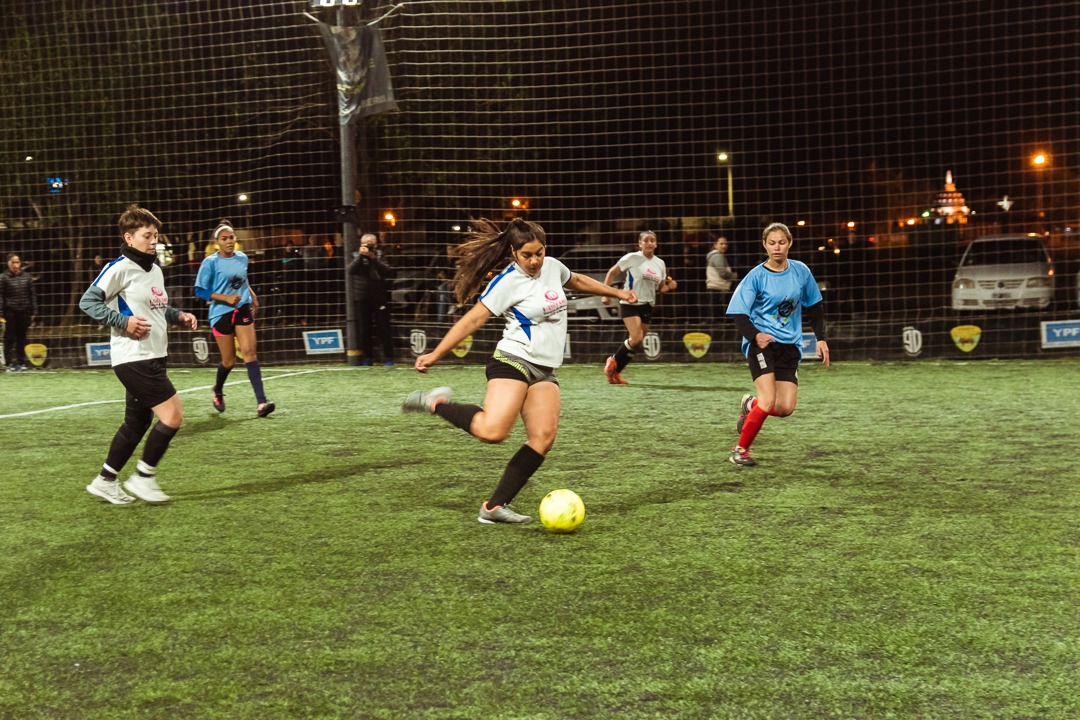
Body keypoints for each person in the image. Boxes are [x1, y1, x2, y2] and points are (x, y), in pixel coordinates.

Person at [402, 217, 636, 525]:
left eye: (539, 252)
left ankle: (494, 506)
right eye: (527, 254)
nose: (535, 260)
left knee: (543, 437)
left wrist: (618, 293)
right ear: (513, 252)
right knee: (493, 432)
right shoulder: (507, 281)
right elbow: (473, 320)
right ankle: (437, 404)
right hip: (513, 360)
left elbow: (575, 279)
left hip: (545, 369)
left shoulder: (552, 266)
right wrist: (436, 353)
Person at [79, 205, 199, 504]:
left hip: (153, 355)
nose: (154, 241)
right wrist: (123, 322)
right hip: (134, 357)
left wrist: (178, 314)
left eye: (156, 235)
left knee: (136, 424)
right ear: (129, 238)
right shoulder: (119, 267)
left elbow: (154, 308)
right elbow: (88, 302)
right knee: (173, 416)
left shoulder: (155, 269)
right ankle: (143, 477)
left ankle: (105, 480)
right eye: (147, 235)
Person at [726, 222, 830, 467]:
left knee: (784, 408)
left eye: (781, 242)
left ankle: (750, 405)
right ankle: (740, 450)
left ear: (790, 243)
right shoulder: (756, 276)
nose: (777, 247)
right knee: (768, 400)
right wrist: (755, 335)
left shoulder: (800, 271)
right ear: (764, 245)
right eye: (771, 243)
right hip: (762, 344)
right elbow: (739, 313)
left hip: (789, 346)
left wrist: (821, 338)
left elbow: (815, 307)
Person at [194, 220, 276, 417]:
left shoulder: (242, 258)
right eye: (224, 238)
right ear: (217, 242)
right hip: (220, 313)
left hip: (242, 309)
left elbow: (242, 280)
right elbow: (200, 291)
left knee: (249, 353)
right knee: (229, 361)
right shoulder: (210, 263)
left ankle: (261, 403)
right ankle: (218, 390)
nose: (229, 241)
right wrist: (225, 298)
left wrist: (252, 295)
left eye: (231, 237)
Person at [601, 230, 677, 384]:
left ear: (656, 244)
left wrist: (670, 286)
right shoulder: (632, 258)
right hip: (630, 302)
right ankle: (612, 361)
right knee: (636, 338)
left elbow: (660, 288)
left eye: (652, 240)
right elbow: (612, 272)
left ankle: (615, 374)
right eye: (646, 240)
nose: (649, 243)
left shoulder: (660, 263)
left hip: (648, 305)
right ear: (640, 243)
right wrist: (606, 294)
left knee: (636, 342)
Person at [347, 232, 396, 366]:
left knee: (384, 328)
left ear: (376, 245)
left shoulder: (380, 255)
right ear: (361, 244)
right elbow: (351, 270)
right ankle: (367, 358)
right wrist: (361, 256)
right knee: (364, 329)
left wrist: (373, 258)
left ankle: (389, 358)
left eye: (371, 244)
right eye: (366, 244)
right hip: (362, 297)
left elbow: (387, 271)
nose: (368, 246)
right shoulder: (355, 255)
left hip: (379, 296)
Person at [1, 253, 37, 372]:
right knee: (9, 337)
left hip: (24, 311)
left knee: (22, 337)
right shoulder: (3, 277)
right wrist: (1, 312)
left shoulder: (27, 277)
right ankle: (9, 363)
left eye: (18, 262)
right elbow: (1, 296)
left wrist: (34, 311)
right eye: (13, 262)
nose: (16, 265)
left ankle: (21, 362)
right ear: (8, 263)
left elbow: (32, 295)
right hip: (10, 312)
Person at [705, 233, 738, 321]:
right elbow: (723, 273)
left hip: (716, 287)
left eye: (726, 244)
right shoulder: (717, 256)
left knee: (715, 314)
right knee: (718, 315)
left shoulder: (717, 255)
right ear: (715, 245)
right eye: (721, 244)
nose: (724, 246)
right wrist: (734, 276)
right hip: (718, 287)